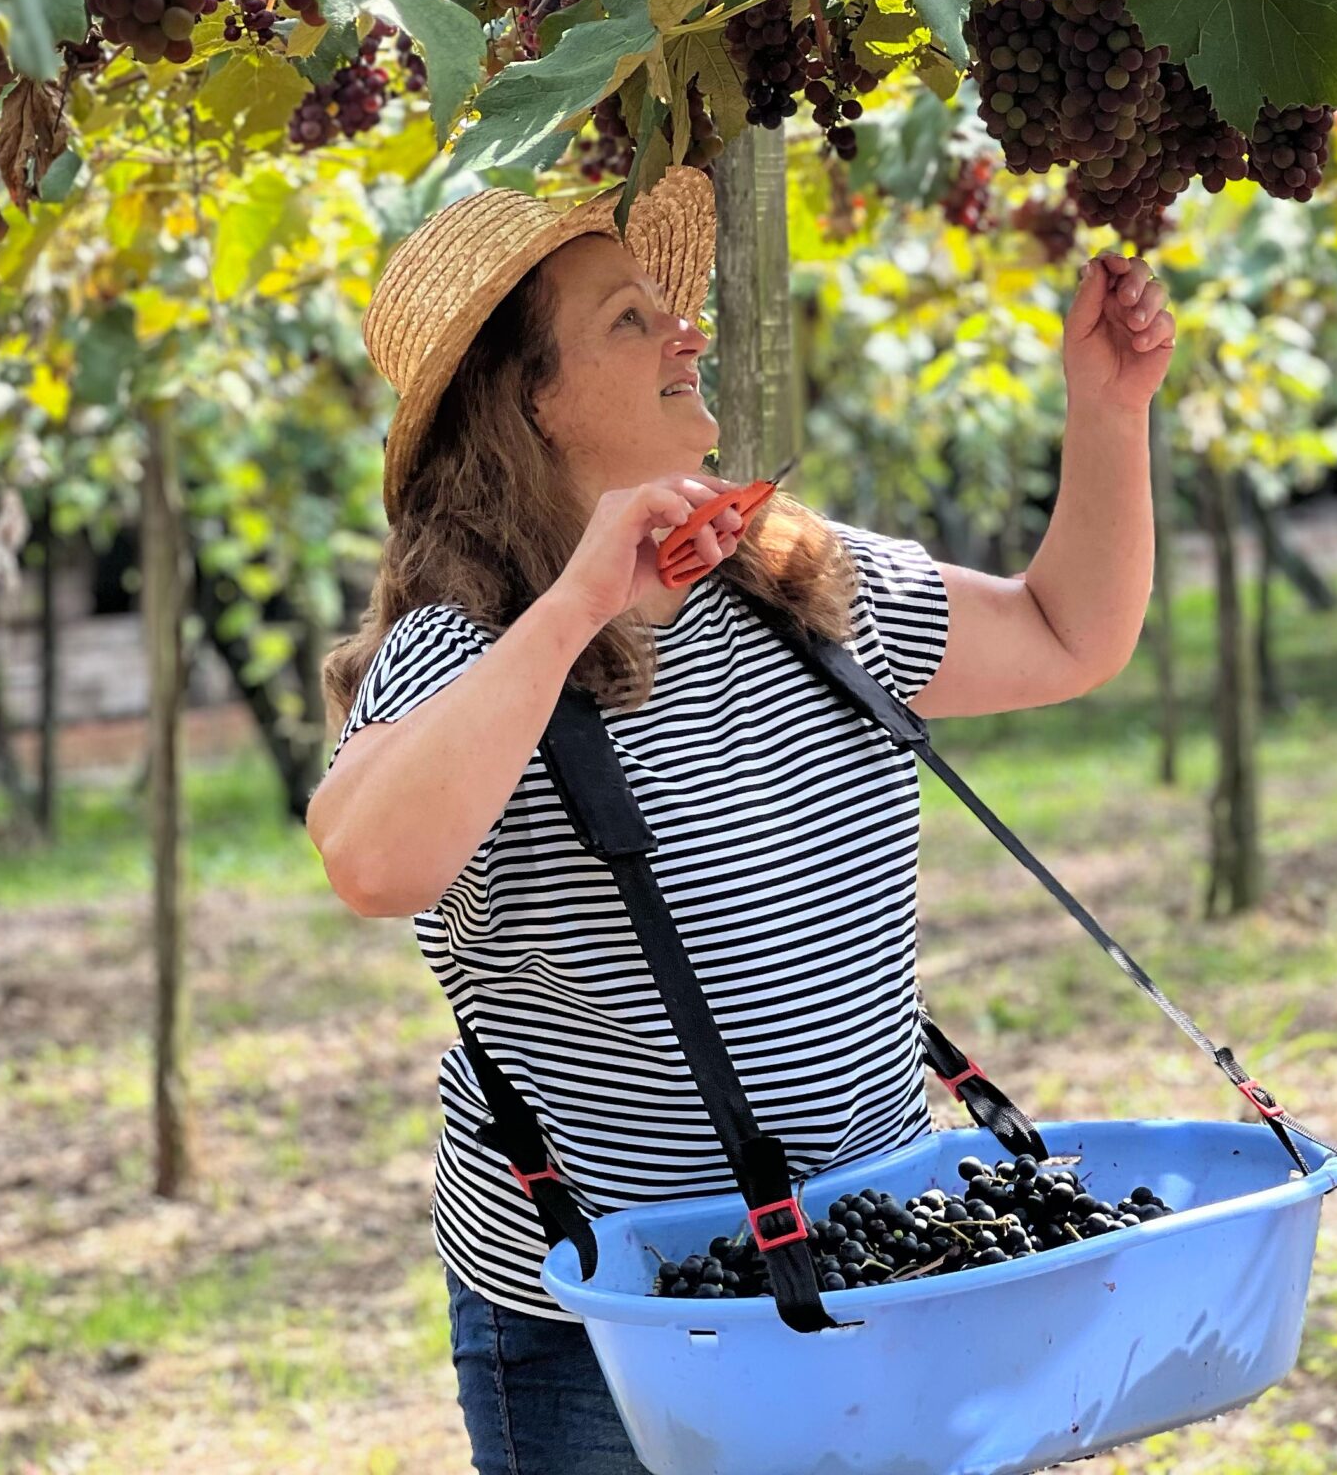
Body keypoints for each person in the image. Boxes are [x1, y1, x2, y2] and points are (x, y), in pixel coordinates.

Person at [308, 166, 1176, 1475]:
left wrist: (1108, 417)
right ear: (531, 402)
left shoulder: (799, 582)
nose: (686, 332)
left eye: (675, 307)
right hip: (608, 1319)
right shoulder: (465, 646)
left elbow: (1066, 634)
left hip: (877, 1255)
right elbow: (372, 864)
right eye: (627, 319)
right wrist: (578, 599)